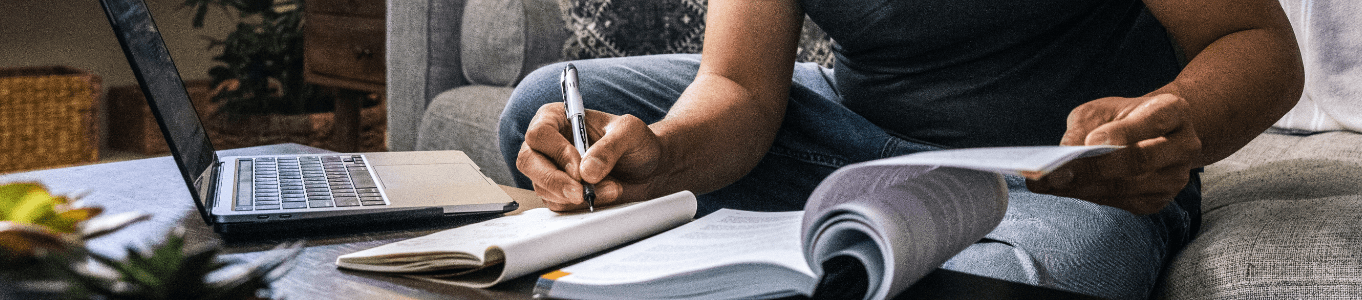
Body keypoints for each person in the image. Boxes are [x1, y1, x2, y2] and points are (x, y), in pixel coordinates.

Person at [497, 0, 1303, 298]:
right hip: (846, 134)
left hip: (1058, 179)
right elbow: (740, 88)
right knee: (548, 108)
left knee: (1016, 281)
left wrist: (1168, 121)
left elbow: (1256, 41)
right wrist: (663, 152)